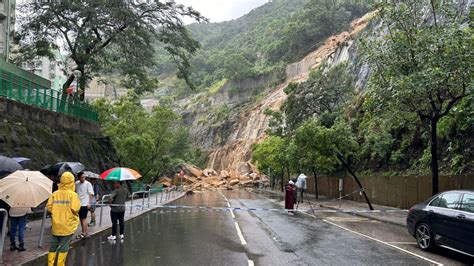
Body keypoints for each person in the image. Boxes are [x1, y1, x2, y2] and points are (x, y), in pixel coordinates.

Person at [47, 171, 81, 266]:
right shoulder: (73, 195)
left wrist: (57, 212)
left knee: (53, 245)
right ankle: (60, 264)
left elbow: (49, 207)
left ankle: (50, 264)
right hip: (67, 225)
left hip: (56, 225)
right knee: (64, 246)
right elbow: (75, 209)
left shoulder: (55, 193)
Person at [75, 171, 94, 239]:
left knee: (84, 218)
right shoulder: (76, 183)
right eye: (82, 177)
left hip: (85, 204)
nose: (83, 178)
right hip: (78, 204)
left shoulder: (88, 184)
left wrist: (89, 203)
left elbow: (91, 194)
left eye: (84, 177)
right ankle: (83, 232)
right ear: (79, 178)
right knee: (80, 218)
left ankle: (84, 232)